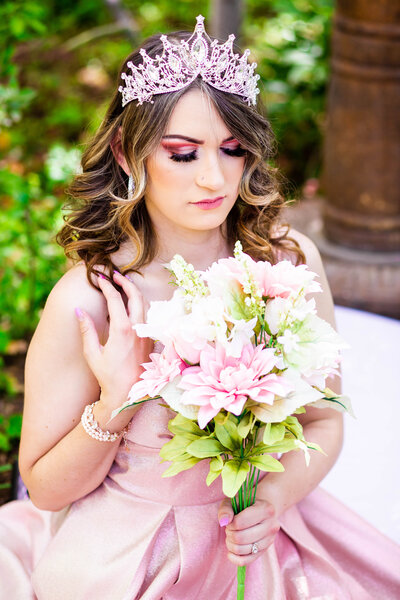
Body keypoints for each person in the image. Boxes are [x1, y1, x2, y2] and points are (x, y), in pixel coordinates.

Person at [0, 15, 399, 600]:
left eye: (232, 149)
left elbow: (324, 420)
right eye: (183, 153)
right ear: (127, 149)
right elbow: (46, 491)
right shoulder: (92, 300)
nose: (214, 177)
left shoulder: (288, 264)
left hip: (259, 536)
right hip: (130, 553)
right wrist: (115, 402)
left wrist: (273, 498)